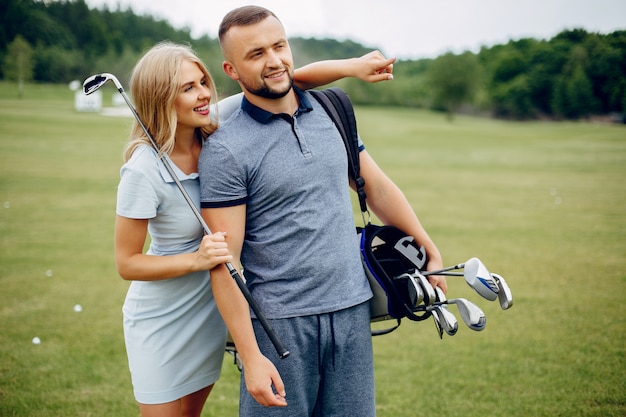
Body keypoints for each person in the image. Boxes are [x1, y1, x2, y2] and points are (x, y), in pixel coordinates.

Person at [114, 40, 397, 417]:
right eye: (187, 88)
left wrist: (353, 66)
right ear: (161, 98)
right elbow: (127, 263)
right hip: (162, 316)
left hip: (211, 308)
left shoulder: (213, 126)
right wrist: (195, 260)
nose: (202, 94)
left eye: (202, 82)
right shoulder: (142, 169)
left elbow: (293, 80)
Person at [198, 6, 447, 417]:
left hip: (352, 310)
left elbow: (379, 189)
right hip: (278, 327)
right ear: (232, 69)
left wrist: (429, 249)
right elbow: (226, 263)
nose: (274, 61)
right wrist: (252, 354)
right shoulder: (225, 148)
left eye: (279, 46)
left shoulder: (333, 111)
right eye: (256, 54)